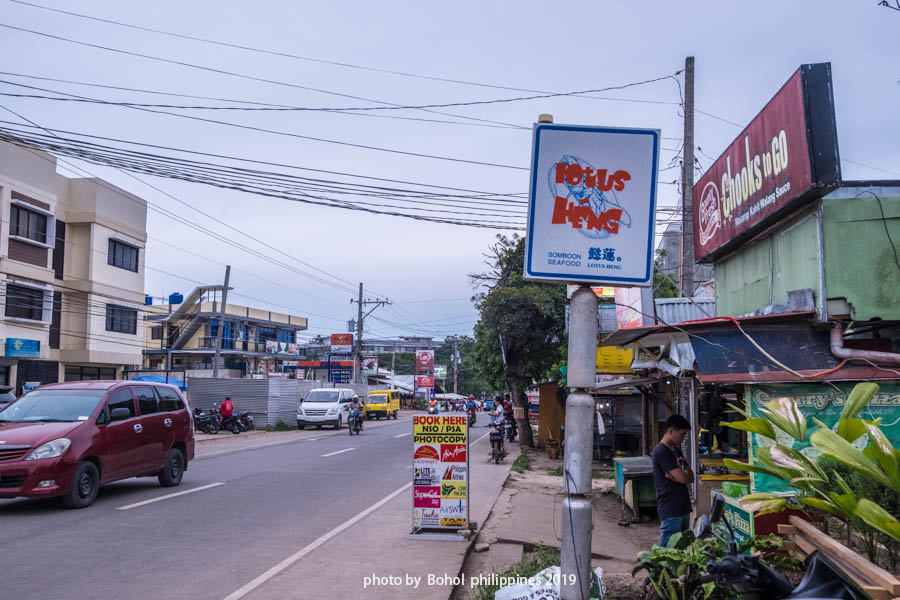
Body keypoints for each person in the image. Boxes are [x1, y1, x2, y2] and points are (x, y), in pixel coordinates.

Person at [652, 414, 694, 547]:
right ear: (671, 431)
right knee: (667, 554)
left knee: (680, 553)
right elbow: (682, 478)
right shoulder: (661, 452)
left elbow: (691, 476)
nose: (683, 438)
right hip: (671, 509)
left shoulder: (676, 451)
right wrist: (682, 476)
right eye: (682, 434)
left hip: (683, 507)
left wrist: (681, 475)